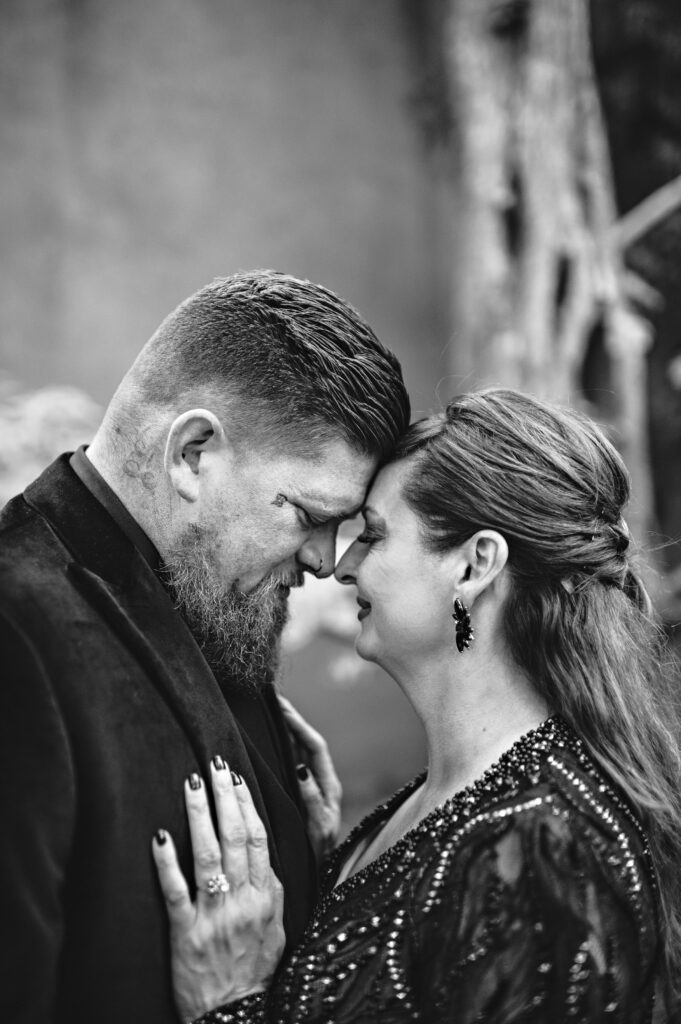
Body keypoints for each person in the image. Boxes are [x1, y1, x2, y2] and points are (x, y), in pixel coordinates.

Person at [153, 388, 681, 1023]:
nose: (340, 566)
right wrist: (322, 874)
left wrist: (229, 1005)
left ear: (474, 564)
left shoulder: (544, 851)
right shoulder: (452, 796)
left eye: (372, 535)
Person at [0, 271, 410, 1024]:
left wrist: (313, 866)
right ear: (192, 452)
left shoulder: (216, 599)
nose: (324, 560)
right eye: (311, 514)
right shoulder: (16, 633)